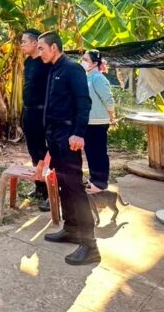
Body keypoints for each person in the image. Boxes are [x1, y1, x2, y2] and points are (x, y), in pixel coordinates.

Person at [37, 31, 99, 266]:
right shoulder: (53, 69)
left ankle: (90, 245)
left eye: (41, 48)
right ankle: (71, 229)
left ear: (53, 47)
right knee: (63, 184)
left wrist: (79, 133)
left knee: (74, 187)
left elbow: (84, 102)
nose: (39, 53)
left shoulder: (73, 69)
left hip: (68, 136)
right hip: (55, 136)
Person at [19, 29, 50, 212]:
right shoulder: (28, 62)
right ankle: (39, 187)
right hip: (28, 111)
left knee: (43, 151)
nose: (21, 44)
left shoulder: (46, 63)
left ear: (34, 43)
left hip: (42, 112)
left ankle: (50, 192)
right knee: (33, 150)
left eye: (24, 41)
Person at [81, 50, 116, 193]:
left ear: (95, 63)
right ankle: (93, 179)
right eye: (83, 59)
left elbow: (108, 99)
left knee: (99, 153)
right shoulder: (87, 77)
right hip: (89, 121)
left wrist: (112, 115)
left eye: (86, 60)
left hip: (99, 122)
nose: (83, 62)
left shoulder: (98, 78)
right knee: (90, 152)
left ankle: (101, 183)